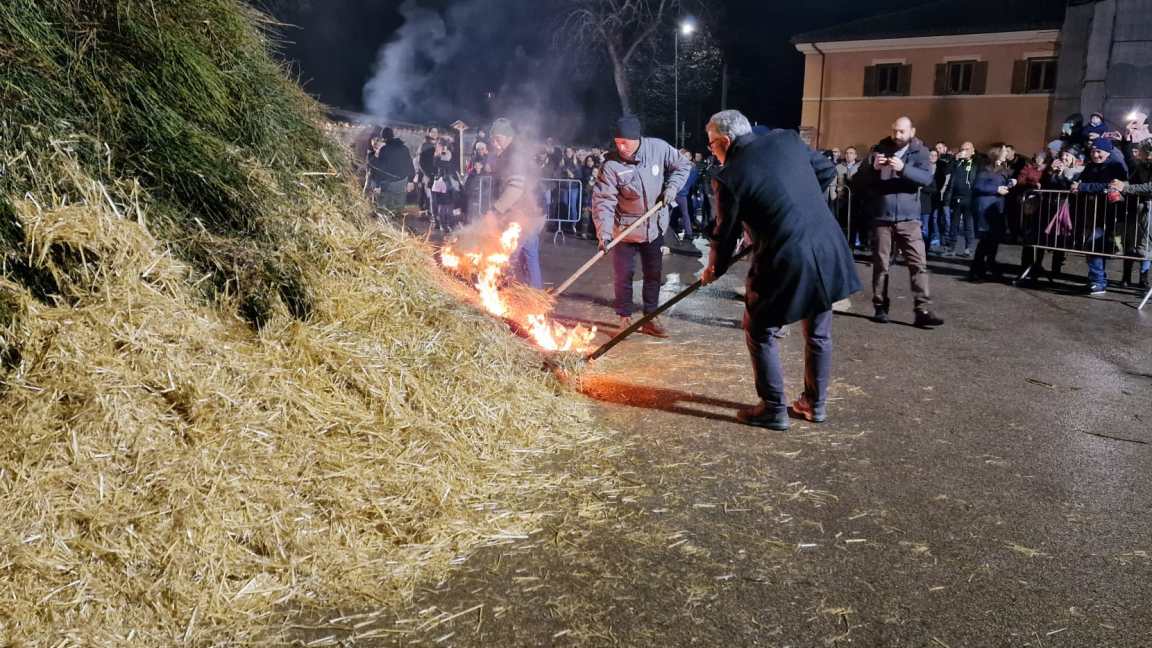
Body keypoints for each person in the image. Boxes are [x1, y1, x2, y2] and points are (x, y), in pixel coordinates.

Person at [700, 110, 860, 430]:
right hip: (826, 244)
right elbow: (827, 171)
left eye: (712, 146)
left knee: (759, 328)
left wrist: (713, 270)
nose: (712, 152)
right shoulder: (786, 141)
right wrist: (800, 206)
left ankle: (773, 408)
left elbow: (725, 233)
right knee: (818, 330)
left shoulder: (729, 176)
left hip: (786, 256)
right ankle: (815, 404)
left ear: (726, 141)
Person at [592, 114, 692, 337]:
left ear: (637, 139)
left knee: (653, 275)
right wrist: (605, 235)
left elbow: (683, 165)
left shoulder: (658, 148)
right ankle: (624, 318)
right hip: (623, 231)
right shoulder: (611, 165)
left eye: (625, 142)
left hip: (654, 226)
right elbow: (603, 202)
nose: (621, 147)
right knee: (623, 276)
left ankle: (650, 317)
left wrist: (671, 188)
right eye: (617, 142)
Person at [855, 116, 945, 327]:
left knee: (918, 263)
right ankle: (880, 307)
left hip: (909, 218)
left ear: (911, 132)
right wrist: (873, 169)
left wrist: (903, 168)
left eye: (902, 132)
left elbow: (926, 179)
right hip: (882, 216)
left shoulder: (921, 152)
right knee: (881, 264)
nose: (897, 136)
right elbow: (858, 180)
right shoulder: (879, 149)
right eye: (895, 131)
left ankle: (922, 308)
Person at [487, 118, 544, 289]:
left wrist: (496, 209)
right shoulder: (512, 152)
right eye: (493, 139)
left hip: (522, 214)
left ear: (508, 136)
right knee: (529, 254)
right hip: (529, 213)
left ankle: (506, 292)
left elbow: (515, 187)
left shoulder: (514, 155)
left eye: (498, 138)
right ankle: (535, 295)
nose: (495, 143)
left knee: (508, 254)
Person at [1072, 138, 1129, 294]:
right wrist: (1074, 184)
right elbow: (1080, 180)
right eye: (1093, 151)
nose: (1095, 155)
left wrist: (1083, 187)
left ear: (1107, 152)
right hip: (1090, 212)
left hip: (1107, 213)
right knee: (1093, 246)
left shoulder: (1115, 166)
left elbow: (1110, 185)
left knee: (1094, 245)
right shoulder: (1090, 166)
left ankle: (1098, 280)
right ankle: (1095, 279)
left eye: (1098, 152)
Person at [968, 144, 1013, 281]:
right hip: (986, 208)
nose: (1007, 152)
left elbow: (1002, 182)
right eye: (1004, 150)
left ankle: (988, 267)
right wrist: (996, 189)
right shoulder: (986, 168)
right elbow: (978, 186)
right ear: (997, 153)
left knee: (994, 241)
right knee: (985, 240)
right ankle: (977, 269)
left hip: (997, 208)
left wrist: (1010, 183)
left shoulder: (1003, 168)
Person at [1113, 140, 1152, 290]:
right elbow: (1132, 182)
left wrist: (1127, 188)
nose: (1138, 154)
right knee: (1129, 242)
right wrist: (1119, 185)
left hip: (1148, 209)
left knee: (1146, 245)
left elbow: (1149, 187)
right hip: (1135, 208)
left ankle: (1144, 278)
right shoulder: (1140, 166)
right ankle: (1126, 276)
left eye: (1141, 151)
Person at [367, 128, 415, 212]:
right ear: (393, 135)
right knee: (397, 209)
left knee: (384, 210)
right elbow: (410, 164)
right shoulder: (404, 148)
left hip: (387, 184)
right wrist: (411, 181)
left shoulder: (384, 150)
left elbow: (380, 169)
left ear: (383, 138)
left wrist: (378, 186)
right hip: (401, 182)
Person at [943, 141, 978, 257]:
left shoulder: (976, 164)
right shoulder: (957, 163)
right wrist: (955, 159)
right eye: (962, 149)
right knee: (954, 224)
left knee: (969, 224)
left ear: (973, 151)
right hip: (956, 197)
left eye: (967, 149)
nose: (964, 151)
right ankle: (951, 248)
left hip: (970, 198)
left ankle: (968, 248)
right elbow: (947, 171)